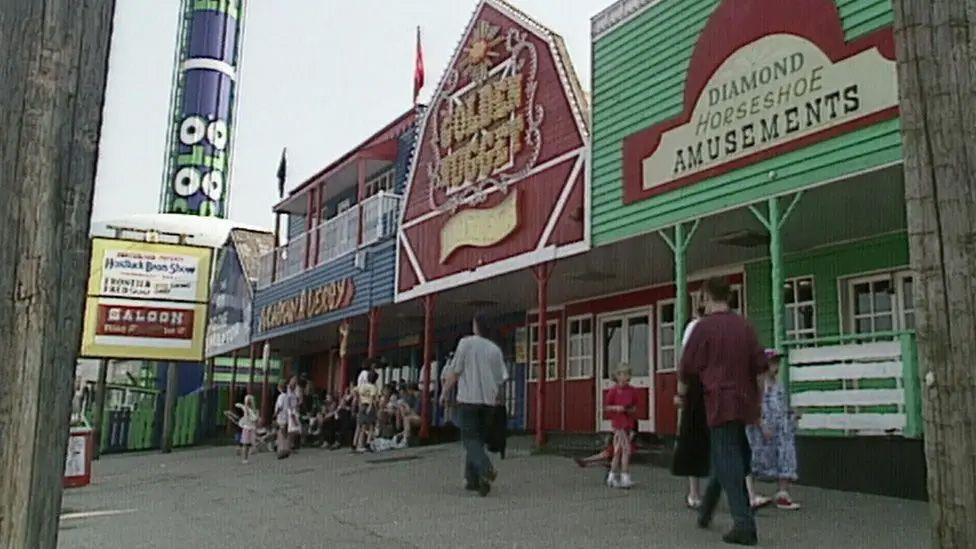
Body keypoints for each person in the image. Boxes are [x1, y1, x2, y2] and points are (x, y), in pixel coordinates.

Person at [678, 276, 767, 546]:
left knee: (728, 456)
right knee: (729, 454)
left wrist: (681, 397)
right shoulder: (745, 326)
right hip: (744, 400)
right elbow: (761, 369)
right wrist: (759, 402)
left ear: (705, 296)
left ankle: (744, 523)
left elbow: (686, 369)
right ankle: (705, 512)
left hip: (718, 401)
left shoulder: (702, 329)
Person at [440, 314, 508, 497]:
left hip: (469, 400)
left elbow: (455, 371)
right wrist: (500, 401)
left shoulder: (466, 343)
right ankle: (473, 481)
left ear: (476, 326)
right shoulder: (495, 349)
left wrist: (444, 392)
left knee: (470, 439)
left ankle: (486, 469)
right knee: (478, 440)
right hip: (489, 403)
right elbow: (501, 379)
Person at [746, 349, 801, 510]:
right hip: (762, 427)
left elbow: (783, 404)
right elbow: (754, 406)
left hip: (780, 427)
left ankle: (783, 492)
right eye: (772, 362)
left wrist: (792, 415)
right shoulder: (759, 384)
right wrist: (761, 423)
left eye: (777, 362)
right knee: (756, 457)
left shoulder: (779, 385)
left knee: (785, 455)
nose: (775, 366)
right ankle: (750, 492)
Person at [672, 296, 710, 509]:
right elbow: (685, 360)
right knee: (695, 439)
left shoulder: (721, 324)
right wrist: (682, 390)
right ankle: (694, 492)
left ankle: (739, 491)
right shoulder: (694, 327)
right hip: (699, 387)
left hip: (712, 387)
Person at [604, 365, 639, 489]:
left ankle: (612, 476)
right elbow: (607, 406)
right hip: (619, 424)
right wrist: (617, 408)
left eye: (627, 374)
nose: (625, 377)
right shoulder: (613, 391)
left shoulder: (632, 390)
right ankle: (624, 476)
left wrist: (630, 409)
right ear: (617, 376)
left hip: (628, 423)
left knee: (618, 451)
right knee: (626, 450)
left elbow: (635, 406)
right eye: (622, 374)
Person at [354, 371, 380, 453]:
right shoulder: (373, 387)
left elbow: (355, 390)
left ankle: (355, 443)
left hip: (362, 405)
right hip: (369, 406)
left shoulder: (362, 386)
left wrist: (358, 400)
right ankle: (366, 443)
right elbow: (373, 399)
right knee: (371, 425)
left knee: (360, 425)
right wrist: (374, 408)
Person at [273, 380, 291, 459]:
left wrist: (275, 415)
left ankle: (281, 449)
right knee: (285, 433)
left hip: (281, 417)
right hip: (286, 417)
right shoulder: (287, 396)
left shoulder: (281, 396)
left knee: (281, 433)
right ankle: (286, 448)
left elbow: (279, 407)